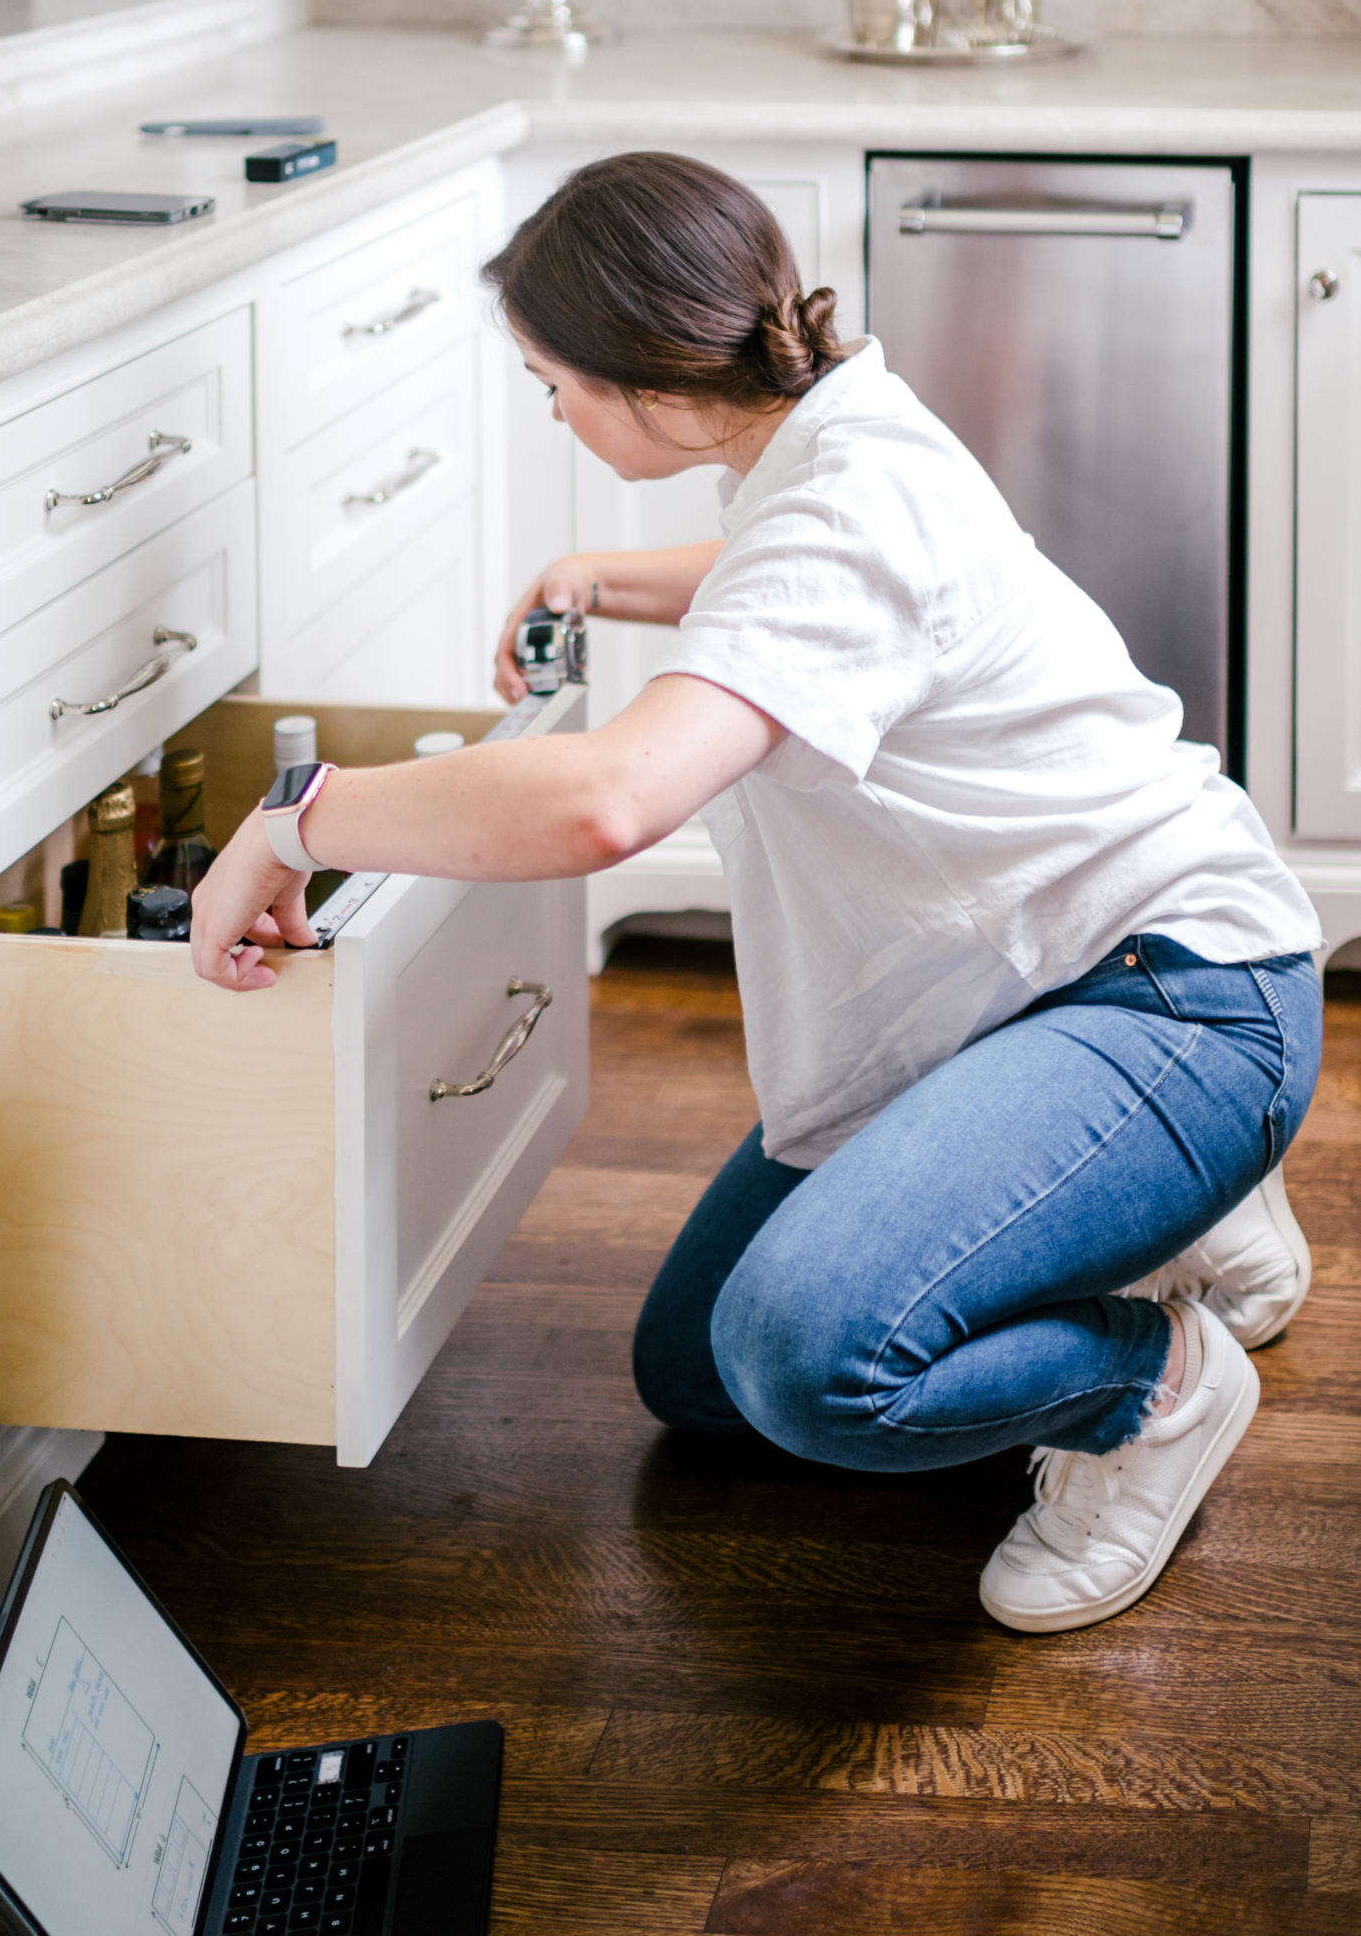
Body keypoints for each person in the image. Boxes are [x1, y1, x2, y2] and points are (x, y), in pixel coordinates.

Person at [190, 150, 1322, 1636]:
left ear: (648, 377)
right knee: (699, 1378)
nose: (552, 414)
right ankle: (1152, 1196)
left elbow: (609, 800)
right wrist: (607, 574)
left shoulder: (839, 519)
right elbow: (781, 589)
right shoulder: (829, 436)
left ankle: (1154, 1385)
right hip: (1045, 979)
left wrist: (296, 823)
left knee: (810, 1361)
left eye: (552, 383)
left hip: (1178, 995)